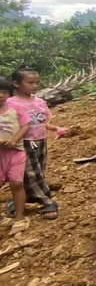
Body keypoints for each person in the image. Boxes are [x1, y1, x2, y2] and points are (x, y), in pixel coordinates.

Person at [7, 66, 66, 220]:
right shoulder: (11, 103)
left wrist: (55, 128)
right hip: (23, 142)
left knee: (39, 169)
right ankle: (46, 200)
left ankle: (25, 199)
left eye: (36, 83)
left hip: (40, 140)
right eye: (30, 83)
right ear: (16, 84)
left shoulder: (39, 101)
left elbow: (40, 122)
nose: (34, 86)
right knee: (31, 172)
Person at [0, 77, 31, 235]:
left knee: (16, 183)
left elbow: (25, 125)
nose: (1, 95)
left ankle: (19, 217)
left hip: (16, 152)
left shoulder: (15, 108)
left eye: (4, 91)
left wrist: (14, 139)